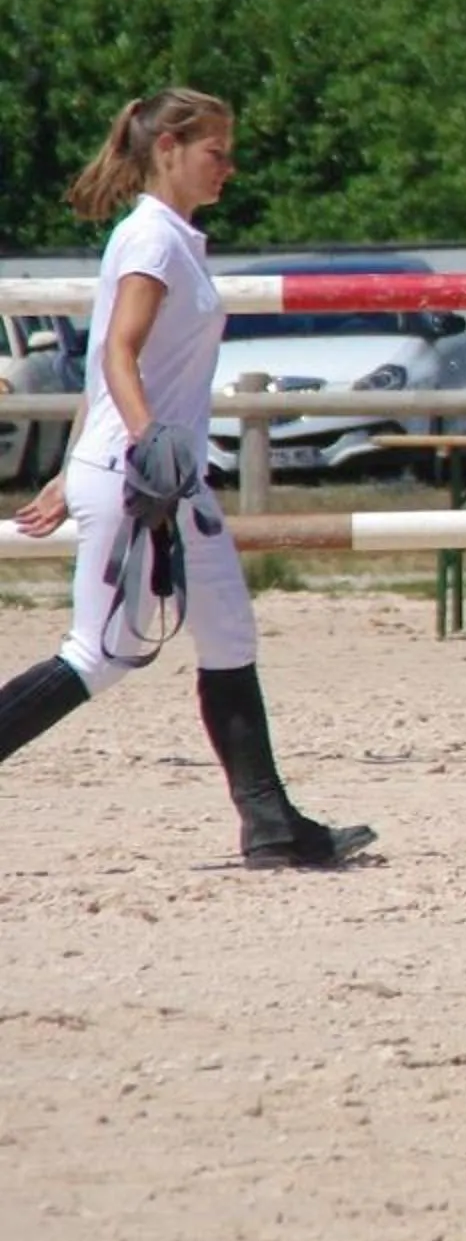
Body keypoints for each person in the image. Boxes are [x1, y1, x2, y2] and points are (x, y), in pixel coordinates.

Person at [0, 89, 376, 867]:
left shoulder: (172, 238)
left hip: (163, 475)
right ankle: (269, 821)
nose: (228, 168)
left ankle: (271, 824)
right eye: (216, 151)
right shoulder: (152, 241)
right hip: (149, 476)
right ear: (168, 146)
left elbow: (109, 357)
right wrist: (145, 444)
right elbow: (118, 355)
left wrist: (79, 466)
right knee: (98, 655)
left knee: (229, 633)